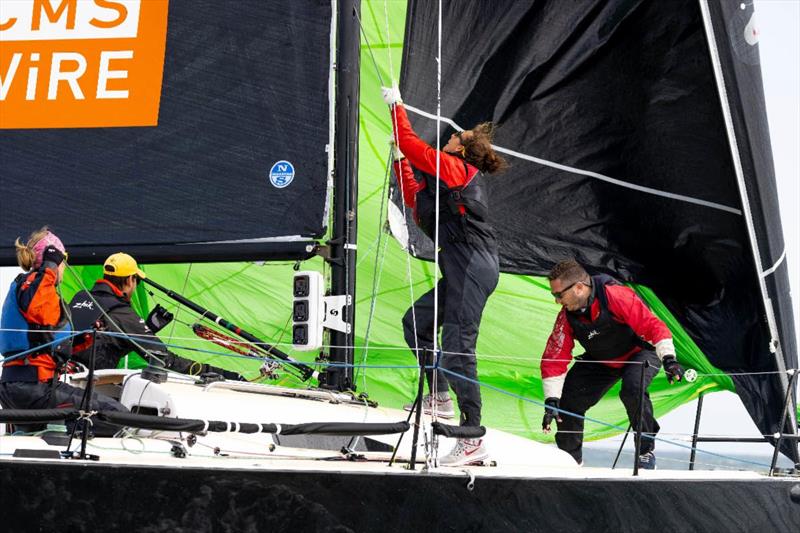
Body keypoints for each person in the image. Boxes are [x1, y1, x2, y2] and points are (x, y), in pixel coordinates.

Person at [382, 86, 507, 466]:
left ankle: (472, 438)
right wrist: (402, 159)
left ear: (460, 149)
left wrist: (397, 107)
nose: (450, 136)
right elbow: (413, 192)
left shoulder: (457, 169)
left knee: (457, 348)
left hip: (473, 266)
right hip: (461, 268)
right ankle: (438, 394)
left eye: (456, 136)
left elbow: (410, 138)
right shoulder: (444, 182)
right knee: (416, 323)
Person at [540, 259, 685, 469]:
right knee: (568, 400)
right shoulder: (566, 318)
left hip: (640, 353)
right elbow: (554, 357)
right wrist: (551, 401)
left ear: (579, 287)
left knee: (632, 388)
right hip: (602, 359)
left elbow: (653, 326)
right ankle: (570, 461)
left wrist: (669, 360)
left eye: (558, 295)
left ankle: (645, 452)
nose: (556, 301)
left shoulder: (616, 295)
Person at [0, 228, 128, 436]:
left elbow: (46, 340)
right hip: (34, 388)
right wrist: (50, 266)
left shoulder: (32, 288)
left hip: (21, 387)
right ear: (54, 259)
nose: (65, 267)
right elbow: (35, 305)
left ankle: (45, 437)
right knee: (116, 414)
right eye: (64, 259)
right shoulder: (34, 286)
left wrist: (85, 337)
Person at [69, 252, 245, 381]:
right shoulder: (123, 313)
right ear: (131, 280)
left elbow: (104, 344)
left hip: (63, 375)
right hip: (85, 384)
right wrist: (224, 374)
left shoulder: (80, 297)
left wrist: (148, 329)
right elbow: (163, 359)